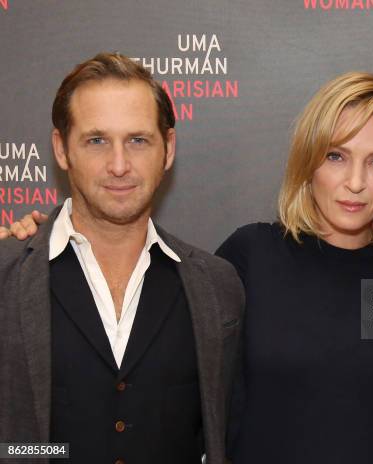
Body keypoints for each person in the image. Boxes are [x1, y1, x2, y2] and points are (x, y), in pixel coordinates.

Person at [5, 72, 373, 463]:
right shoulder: (249, 257)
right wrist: (34, 245)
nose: (356, 182)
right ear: (308, 158)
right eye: (336, 156)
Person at [0, 53, 244, 464]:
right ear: (61, 149)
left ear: (168, 149)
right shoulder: (8, 274)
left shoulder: (216, 287)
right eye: (97, 140)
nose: (119, 165)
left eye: (138, 140)